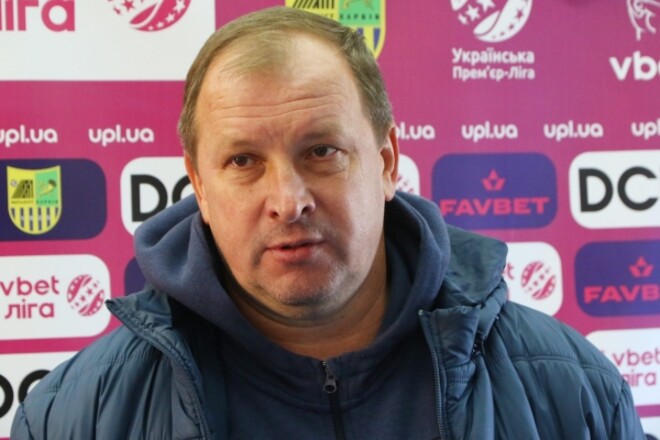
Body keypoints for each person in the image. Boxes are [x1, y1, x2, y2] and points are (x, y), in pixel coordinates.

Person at [12, 6, 644, 439]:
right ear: (199, 186)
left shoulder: (572, 391)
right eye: (243, 161)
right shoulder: (74, 416)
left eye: (321, 151)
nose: (288, 200)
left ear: (387, 162)